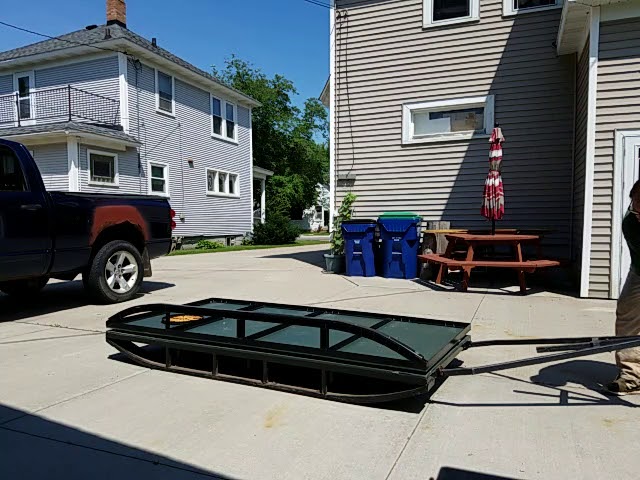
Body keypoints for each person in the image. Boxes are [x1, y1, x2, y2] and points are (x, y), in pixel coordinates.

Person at [608, 179, 640, 395]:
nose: (639, 217)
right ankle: (632, 375)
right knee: (628, 312)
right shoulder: (631, 223)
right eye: (637, 210)